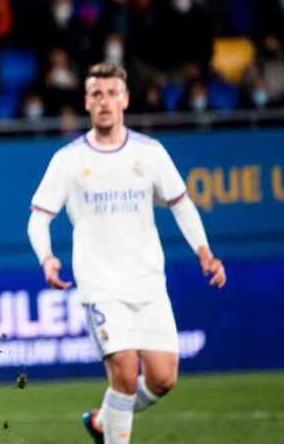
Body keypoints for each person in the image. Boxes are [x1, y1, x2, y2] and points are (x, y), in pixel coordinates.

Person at [26, 62, 227, 444]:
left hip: (148, 282)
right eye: (96, 94)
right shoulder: (69, 160)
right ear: (86, 102)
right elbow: (38, 219)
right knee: (125, 372)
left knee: (164, 379)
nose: (104, 101)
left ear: (126, 99)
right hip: (100, 285)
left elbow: (182, 205)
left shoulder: (149, 153)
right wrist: (47, 257)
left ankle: (104, 421)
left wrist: (205, 253)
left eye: (111, 93)